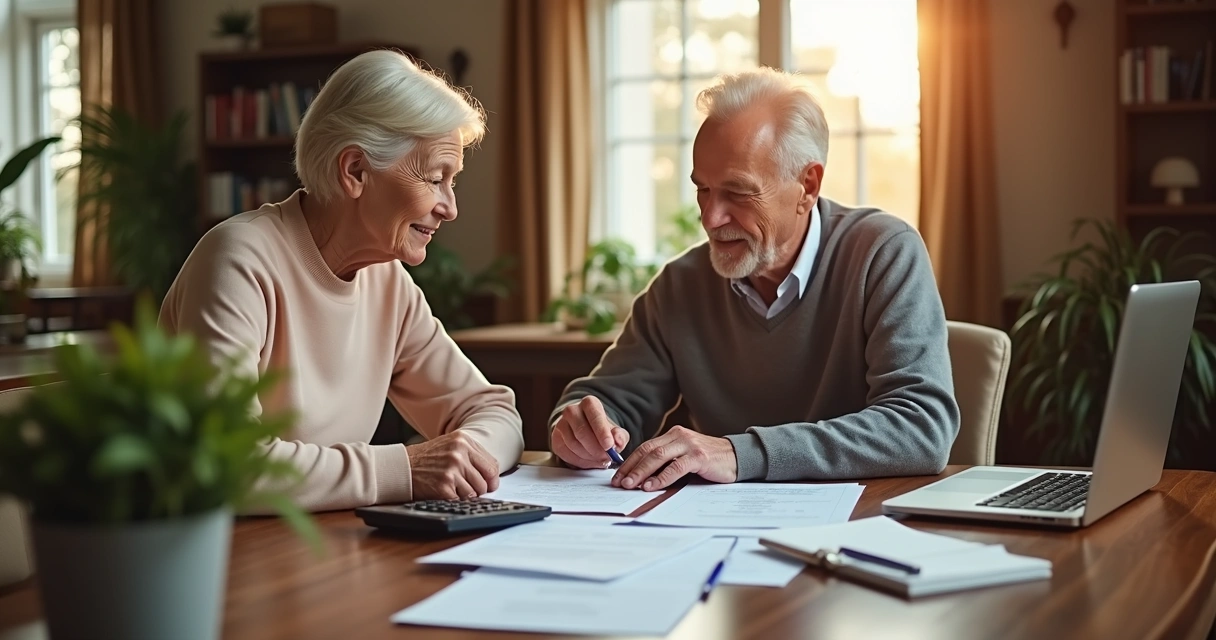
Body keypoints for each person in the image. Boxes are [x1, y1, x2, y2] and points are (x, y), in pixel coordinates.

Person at [549, 67, 960, 491]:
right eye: (703, 191)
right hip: (712, 530)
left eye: (738, 193)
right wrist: (581, 429)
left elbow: (921, 428)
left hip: (858, 525)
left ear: (807, 185)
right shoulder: (679, 286)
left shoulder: (882, 253)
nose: (711, 218)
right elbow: (607, 401)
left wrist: (740, 453)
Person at [160, 49, 524, 511]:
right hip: (220, 557)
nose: (449, 207)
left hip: (323, 546)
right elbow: (224, 463)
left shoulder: (387, 283)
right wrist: (406, 470)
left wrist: (463, 458)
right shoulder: (238, 261)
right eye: (435, 179)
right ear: (355, 171)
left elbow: (494, 412)